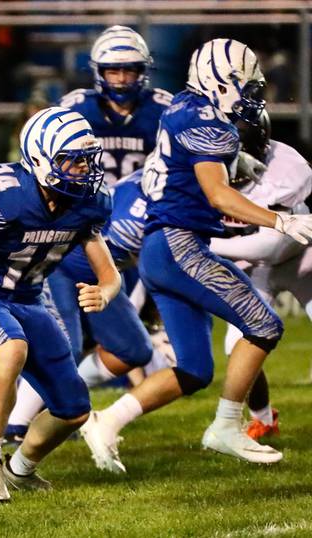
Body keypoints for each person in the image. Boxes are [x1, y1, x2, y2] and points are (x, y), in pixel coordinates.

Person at [80, 39, 312, 474]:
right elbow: (218, 196)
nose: (252, 94)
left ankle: (106, 422)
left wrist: (234, 157)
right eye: (245, 84)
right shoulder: (208, 120)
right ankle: (226, 426)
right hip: (179, 246)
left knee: (193, 369)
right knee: (263, 324)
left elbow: (189, 165)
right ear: (222, 81)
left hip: (163, 248)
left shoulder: (186, 105)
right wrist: (278, 221)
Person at [0, 107, 119, 502]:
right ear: (39, 159)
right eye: (72, 160)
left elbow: (110, 273)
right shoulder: (7, 194)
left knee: (74, 410)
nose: (83, 170)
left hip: (30, 297)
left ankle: (21, 469)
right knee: (12, 346)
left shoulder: (90, 202)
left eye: (87, 160)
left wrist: (105, 292)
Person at [3, 169, 176, 444]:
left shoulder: (151, 186)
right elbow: (157, 265)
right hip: (60, 265)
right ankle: (15, 425)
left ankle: (59, 400)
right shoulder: (139, 210)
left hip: (102, 276)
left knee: (134, 350)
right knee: (64, 347)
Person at [209, 110, 312, 440]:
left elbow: (274, 246)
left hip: (301, 258)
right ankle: (264, 419)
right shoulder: (202, 170)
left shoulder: (287, 166)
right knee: (236, 347)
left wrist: (205, 246)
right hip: (254, 270)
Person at [60, 25, 172, 187]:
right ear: (99, 71)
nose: (121, 79)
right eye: (113, 71)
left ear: (142, 71)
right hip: (88, 202)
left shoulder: (162, 109)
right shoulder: (76, 109)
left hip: (146, 204)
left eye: (129, 71)